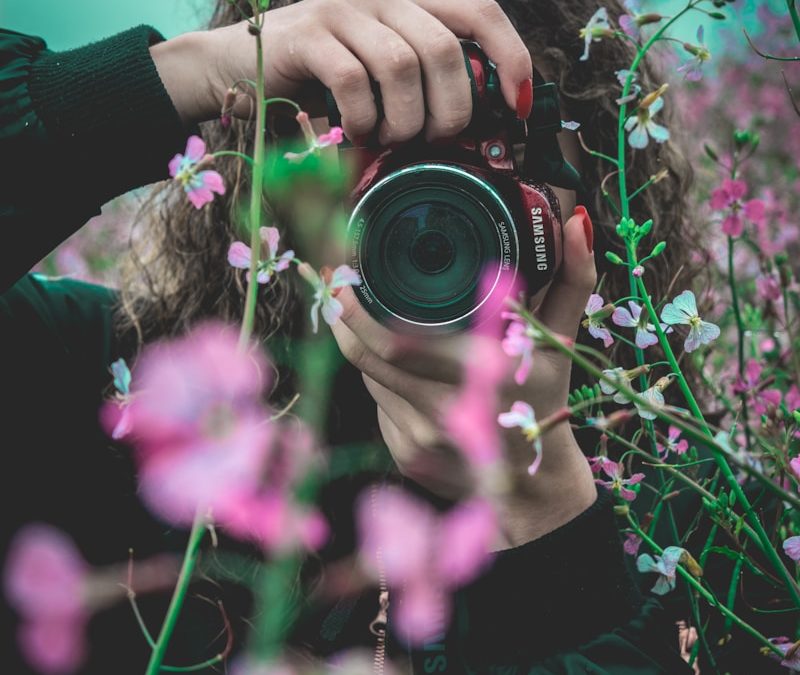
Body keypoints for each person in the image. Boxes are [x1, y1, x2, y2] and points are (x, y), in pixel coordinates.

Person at [0, 0, 700, 672]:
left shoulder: (706, 512)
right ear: (269, 161)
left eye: (493, 147)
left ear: (586, 169)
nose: (429, 197)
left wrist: (545, 508)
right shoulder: (127, 400)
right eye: (365, 131)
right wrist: (189, 72)